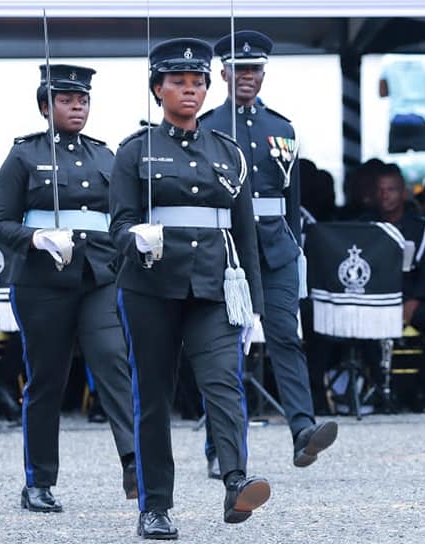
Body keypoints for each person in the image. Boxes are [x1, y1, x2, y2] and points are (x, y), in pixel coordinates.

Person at [111, 38, 269, 538]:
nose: (190, 90)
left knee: (223, 383)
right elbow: (118, 224)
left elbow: (245, 233)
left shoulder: (229, 151)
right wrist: (136, 236)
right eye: (178, 82)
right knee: (153, 396)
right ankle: (155, 507)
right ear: (157, 89)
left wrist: (256, 309)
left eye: (198, 82)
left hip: (215, 286)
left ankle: (235, 482)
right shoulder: (134, 151)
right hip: (151, 286)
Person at [0, 64, 137, 512]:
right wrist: (34, 238)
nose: (77, 106)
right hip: (42, 283)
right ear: (44, 106)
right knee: (47, 380)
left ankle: (136, 465)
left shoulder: (106, 156)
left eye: (83, 100)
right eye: (67, 99)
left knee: (114, 363)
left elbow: (119, 216)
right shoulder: (23, 157)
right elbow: (0, 224)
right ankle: (38, 481)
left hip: (97, 277)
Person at [200, 30, 337, 479]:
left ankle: (302, 430)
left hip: (276, 247)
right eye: (239, 69)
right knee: (223, 351)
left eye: (255, 69)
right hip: (229, 251)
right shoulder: (206, 126)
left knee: (286, 337)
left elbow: (291, 197)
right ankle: (220, 447)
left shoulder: (283, 128)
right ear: (223, 73)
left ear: (263, 74)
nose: (247, 77)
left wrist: (295, 247)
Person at [372, 163, 425, 411]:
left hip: (411, 300)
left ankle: (421, 389)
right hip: (373, 303)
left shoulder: (421, 227)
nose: (386, 195)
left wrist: (412, 303)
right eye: (381, 190)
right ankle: (380, 390)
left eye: (392, 189)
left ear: (404, 193)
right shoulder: (366, 226)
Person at [379, 54, 425, 153]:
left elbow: (382, 93)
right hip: (422, 118)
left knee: (394, 166)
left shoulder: (388, 59)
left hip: (397, 119)